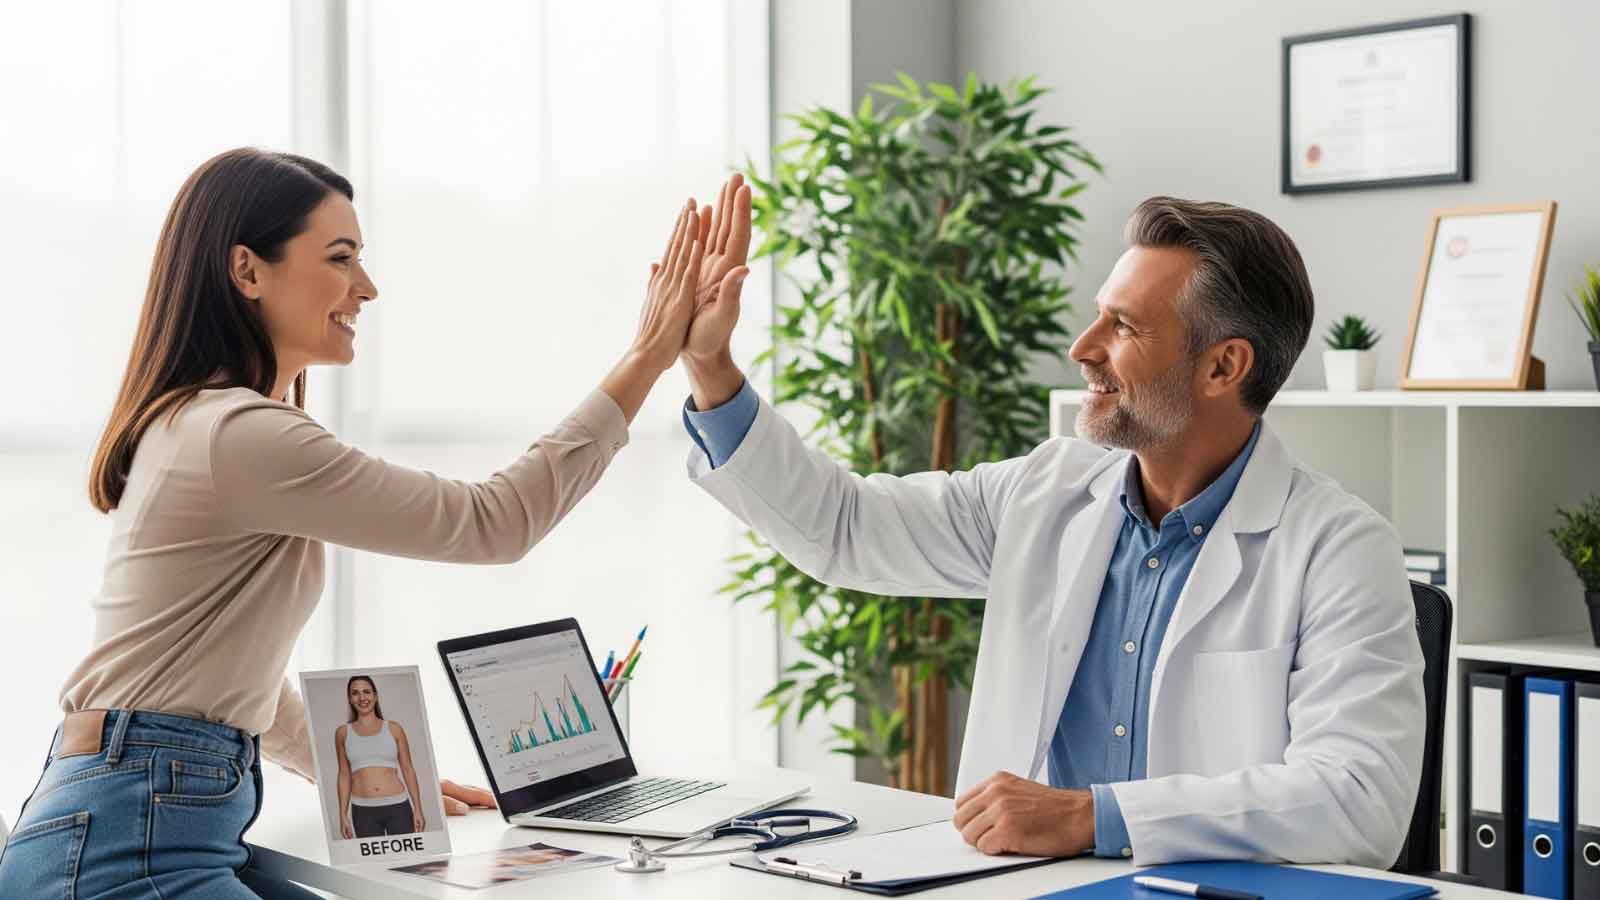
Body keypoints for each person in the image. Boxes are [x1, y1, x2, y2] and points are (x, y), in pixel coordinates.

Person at [0, 147, 751, 899]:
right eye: (340, 258)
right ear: (247, 271)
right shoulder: (238, 436)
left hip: (132, 822)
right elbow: (494, 522)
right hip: (127, 849)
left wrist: (380, 777)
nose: (367, 287)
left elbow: (220, 680)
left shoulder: (212, 426)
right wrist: (651, 354)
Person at [676, 196, 1426, 867]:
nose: (1082, 346)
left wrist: (1092, 818)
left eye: (1124, 326)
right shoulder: (1045, 493)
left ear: (1224, 366)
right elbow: (845, 528)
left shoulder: (1339, 548)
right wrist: (712, 368)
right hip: (1019, 888)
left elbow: (1359, 798)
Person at [335, 676, 424, 839]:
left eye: (366, 692)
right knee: (372, 864)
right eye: (355, 693)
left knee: (407, 863)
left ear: (375, 696)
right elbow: (343, 775)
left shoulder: (394, 729)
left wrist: (418, 808)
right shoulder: (342, 733)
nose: (362, 697)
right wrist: (342, 815)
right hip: (362, 811)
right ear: (350, 699)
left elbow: (408, 769)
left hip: (398, 807)